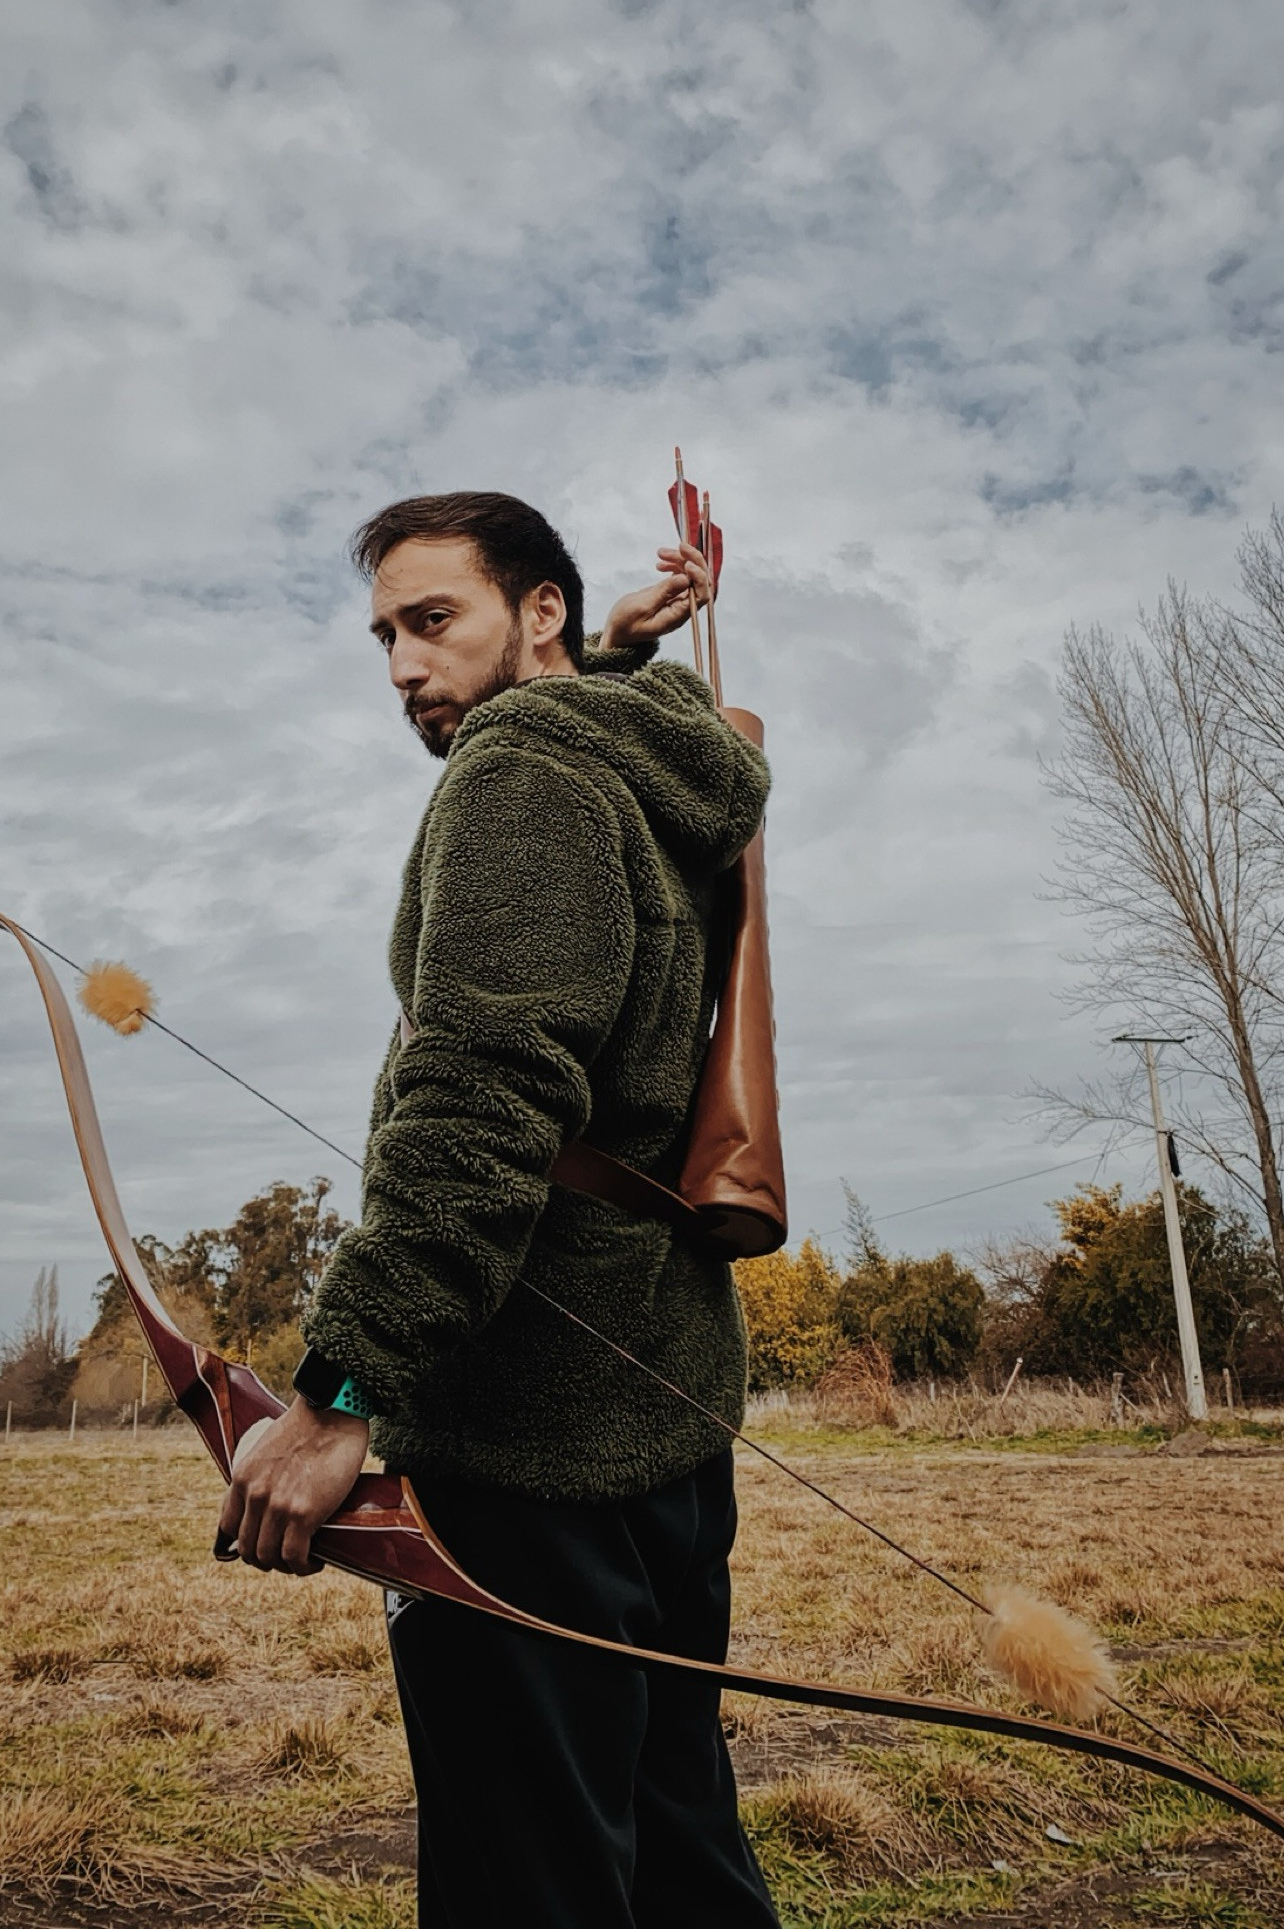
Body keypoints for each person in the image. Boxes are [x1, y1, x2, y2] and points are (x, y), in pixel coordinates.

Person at [216, 490, 777, 1929]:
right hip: (659, 1413)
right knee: (676, 1852)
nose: (405, 665)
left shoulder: (521, 769)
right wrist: (611, 655)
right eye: (385, 638)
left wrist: (338, 1396)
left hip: (526, 1436)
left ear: (536, 613)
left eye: (434, 620)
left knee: (529, 1886)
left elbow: (481, 1107)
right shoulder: (638, 767)